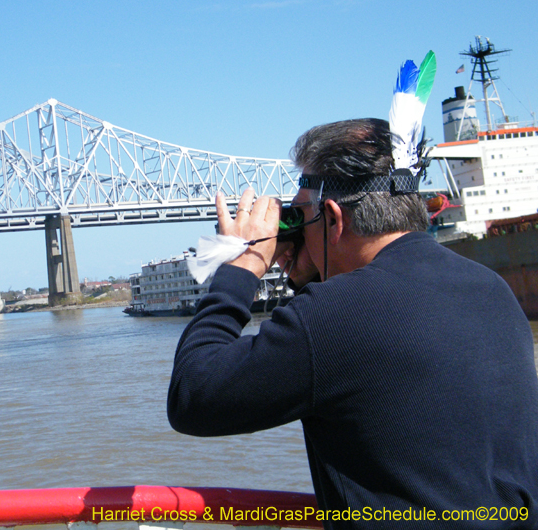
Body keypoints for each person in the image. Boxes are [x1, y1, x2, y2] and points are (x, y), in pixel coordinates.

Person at [167, 118, 538, 529]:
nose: (296, 229)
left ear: (333, 217)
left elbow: (193, 396)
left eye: (300, 215)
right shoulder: (491, 289)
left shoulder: (333, 315)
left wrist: (244, 263)